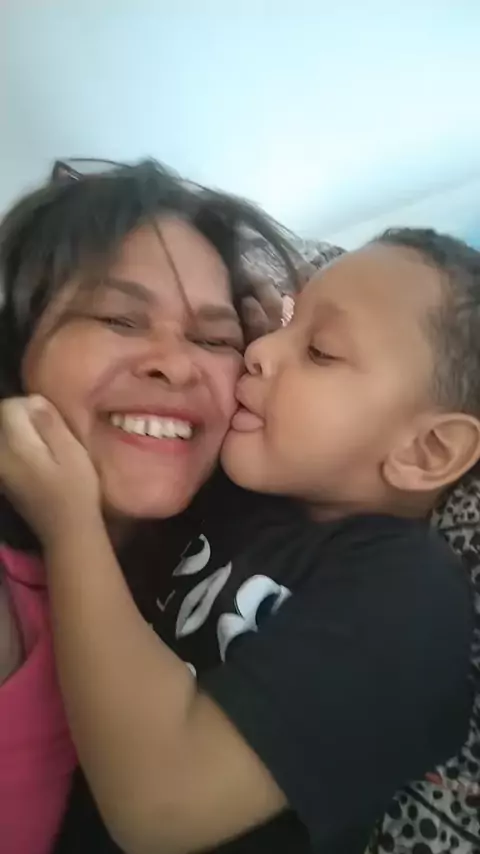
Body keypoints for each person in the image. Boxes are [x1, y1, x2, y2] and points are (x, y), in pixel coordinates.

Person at [0, 227, 478, 854]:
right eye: (285, 323)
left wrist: (70, 522)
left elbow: (162, 805)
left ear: (427, 451)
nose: (260, 352)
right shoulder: (243, 496)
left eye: (320, 351)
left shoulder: (411, 597)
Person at [0, 158, 298, 854]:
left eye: (214, 339)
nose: (176, 362)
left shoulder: (211, 564)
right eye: (119, 317)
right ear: (16, 347)